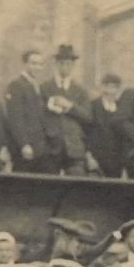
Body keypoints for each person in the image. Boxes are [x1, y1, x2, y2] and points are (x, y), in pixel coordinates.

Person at [43, 44, 94, 175]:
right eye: (62, 63)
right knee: (49, 186)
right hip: (51, 146)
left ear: (73, 66)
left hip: (74, 147)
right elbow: (39, 114)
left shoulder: (80, 91)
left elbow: (88, 116)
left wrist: (70, 106)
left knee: (76, 186)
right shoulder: (44, 88)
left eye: (69, 63)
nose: (65, 67)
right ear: (56, 64)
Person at [4, 50, 54, 174]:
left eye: (40, 64)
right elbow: (15, 118)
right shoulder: (16, 85)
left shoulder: (38, 86)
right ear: (25, 64)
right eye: (33, 63)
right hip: (26, 148)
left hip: (41, 147)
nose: (37, 67)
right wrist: (24, 144)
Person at [85, 73, 130, 177]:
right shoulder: (93, 106)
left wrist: (124, 164)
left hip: (116, 163)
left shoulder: (121, 108)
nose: (111, 91)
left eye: (114, 88)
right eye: (108, 87)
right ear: (102, 88)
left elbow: (124, 137)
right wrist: (89, 157)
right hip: (96, 160)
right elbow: (86, 132)